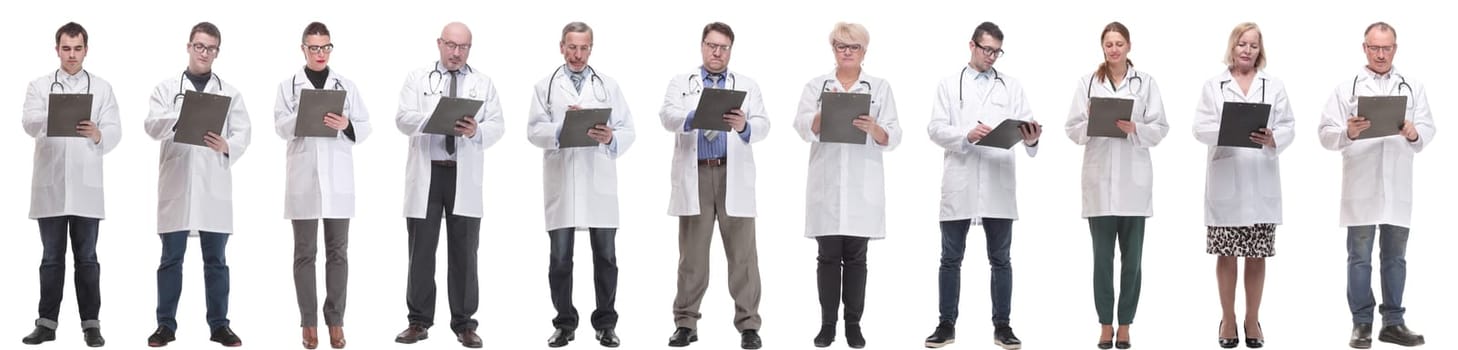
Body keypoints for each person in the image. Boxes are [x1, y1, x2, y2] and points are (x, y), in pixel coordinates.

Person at [1316, 21, 1432, 349]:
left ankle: (1393, 323)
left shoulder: (1412, 87)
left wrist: (1413, 132)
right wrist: (1348, 133)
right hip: (1361, 184)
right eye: (1374, 47)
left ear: (1395, 48)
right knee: (1360, 256)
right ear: (1364, 48)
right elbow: (1325, 131)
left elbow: (1428, 126)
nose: (1381, 54)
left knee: (1396, 257)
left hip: (1397, 183)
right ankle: (1362, 324)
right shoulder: (1346, 88)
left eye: (1387, 47)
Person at [923, 21, 1038, 350]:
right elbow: (934, 128)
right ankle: (946, 324)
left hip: (998, 183)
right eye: (987, 49)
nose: (992, 56)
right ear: (971, 45)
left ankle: (1003, 326)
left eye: (997, 51)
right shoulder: (949, 85)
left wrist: (1030, 138)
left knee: (1001, 259)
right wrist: (964, 136)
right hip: (960, 180)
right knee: (950, 258)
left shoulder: (1011, 86)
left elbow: (1025, 123)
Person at [392, 21, 504, 349]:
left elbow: (497, 125)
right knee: (421, 250)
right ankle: (418, 321)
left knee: (465, 252)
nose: (456, 53)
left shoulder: (482, 83)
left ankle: (465, 324)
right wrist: (435, 120)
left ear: (470, 49)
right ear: (439, 43)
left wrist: (475, 131)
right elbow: (402, 118)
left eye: (463, 47)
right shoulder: (417, 78)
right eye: (451, 45)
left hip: (462, 174)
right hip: (428, 173)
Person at [658, 21, 770, 350]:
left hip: (731, 174)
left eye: (723, 47)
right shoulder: (682, 82)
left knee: (743, 256)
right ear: (702, 46)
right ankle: (686, 322)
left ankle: (749, 325)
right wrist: (692, 118)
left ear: (730, 50)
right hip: (696, 174)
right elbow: (667, 115)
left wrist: (744, 125)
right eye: (711, 45)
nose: (716, 52)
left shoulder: (747, 84)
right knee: (691, 256)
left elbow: (764, 124)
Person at [526, 21, 635, 349]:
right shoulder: (545, 86)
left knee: (606, 257)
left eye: (583, 47)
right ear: (561, 47)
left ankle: (605, 323)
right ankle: (564, 323)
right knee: (560, 259)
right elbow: (533, 130)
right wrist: (562, 127)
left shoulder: (608, 86)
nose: (577, 54)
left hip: (598, 182)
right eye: (571, 47)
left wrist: (610, 135)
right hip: (562, 182)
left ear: (591, 48)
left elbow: (628, 129)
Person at [142, 21, 252, 348]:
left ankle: (220, 326)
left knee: (216, 261)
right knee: (171, 259)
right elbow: (150, 125)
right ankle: (165, 326)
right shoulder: (166, 89)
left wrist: (227, 145)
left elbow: (243, 133)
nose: (205, 53)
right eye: (199, 46)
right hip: (177, 186)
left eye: (211, 48)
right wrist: (179, 117)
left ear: (217, 52)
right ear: (189, 46)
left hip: (213, 188)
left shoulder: (229, 93)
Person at [793, 21, 902, 350]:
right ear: (833, 50)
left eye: (853, 47)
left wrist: (875, 128)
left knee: (856, 258)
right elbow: (800, 125)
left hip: (862, 185)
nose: (847, 52)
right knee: (827, 257)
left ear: (864, 51)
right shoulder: (817, 86)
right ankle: (828, 325)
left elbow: (895, 135)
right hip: (827, 185)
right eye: (841, 46)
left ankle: (853, 324)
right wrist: (821, 115)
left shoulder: (879, 87)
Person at [1062, 21, 1168, 350]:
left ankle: (1126, 324)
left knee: (1132, 261)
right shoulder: (1087, 83)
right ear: (1102, 48)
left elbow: (1161, 128)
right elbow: (1072, 128)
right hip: (1099, 184)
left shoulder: (1146, 83)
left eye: (1119, 43)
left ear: (1129, 46)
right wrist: (1093, 121)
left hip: (1134, 185)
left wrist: (1136, 127)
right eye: (1108, 43)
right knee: (1102, 260)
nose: (1114, 49)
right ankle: (1105, 325)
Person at [1192, 22, 1294, 350]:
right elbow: (1199, 128)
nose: (1247, 50)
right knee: (1226, 254)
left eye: (1253, 45)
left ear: (1259, 50)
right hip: (1227, 181)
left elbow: (1288, 125)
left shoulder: (1273, 85)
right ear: (1232, 47)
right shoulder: (1214, 85)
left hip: (1261, 179)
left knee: (1256, 255)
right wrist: (1226, 129)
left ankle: (1252, 319)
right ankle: (1228, 318)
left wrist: (1273, 137)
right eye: (1241, 44)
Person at [20, 21, 121, 348]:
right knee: (51, 258)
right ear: (57, 50)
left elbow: (115, 129)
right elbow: (28, 122)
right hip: (50, 187)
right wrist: (54, 115)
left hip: (86, 189)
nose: (72, 54)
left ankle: (91, 325)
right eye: (66, 48)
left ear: (86, 50)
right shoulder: (39, 86)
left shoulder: (102, 88)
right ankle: (46, 324)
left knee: (87, 258)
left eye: (78, 48)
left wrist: (98, 133)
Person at [272, 21, 372, 350]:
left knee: (338, 253)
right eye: (314, 47)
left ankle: (336, 321)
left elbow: (365, 126)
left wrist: (346, 124)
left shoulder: (347, 85)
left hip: (338, 180)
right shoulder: (288, 87)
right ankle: (309, 323)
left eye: (325, 47)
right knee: (304, 253)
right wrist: (303, 112)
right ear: (303, 49)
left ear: (330, 49)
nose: (319, 53)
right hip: (303, 179)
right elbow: (280, 127)